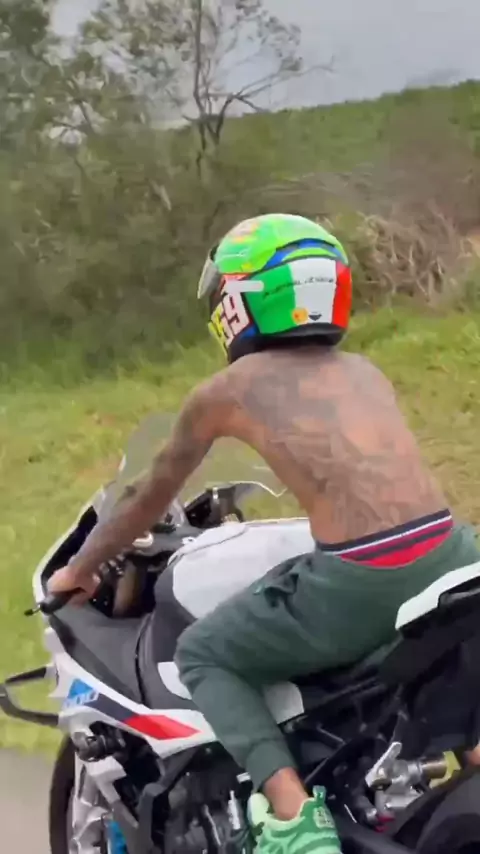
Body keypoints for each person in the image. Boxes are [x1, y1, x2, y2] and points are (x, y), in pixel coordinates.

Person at [49, 213, 480, 854]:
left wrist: (79, 569)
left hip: (364, 578)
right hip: (453, 550)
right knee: (444, 653)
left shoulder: (229, 390)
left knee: (204, 652)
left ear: (244, 299)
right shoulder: (364, 371)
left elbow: (150, 495)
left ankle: (295, 817)